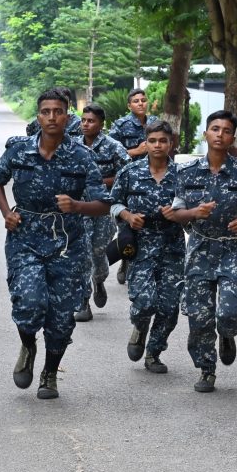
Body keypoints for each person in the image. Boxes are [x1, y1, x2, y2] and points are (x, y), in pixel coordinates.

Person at [0, 89, 110, 400]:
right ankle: (28, 345)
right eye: (46, 111)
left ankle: (50, 373)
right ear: (38, 116)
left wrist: (78, 206)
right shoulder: (19, 150)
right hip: (25, 238)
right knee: (29, 303)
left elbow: (103, 203)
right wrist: (6, 213)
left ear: (67, 116)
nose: (52, 117)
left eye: (58, 111)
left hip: (68, 243)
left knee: (60, 318)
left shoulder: (82, 157)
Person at [166, 110, 237, 393]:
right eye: (215, 129)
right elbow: (175, 213)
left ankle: (227, 332)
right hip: (200, 247)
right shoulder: (186, 172)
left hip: (234, 248)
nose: (220, 135)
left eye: (226, 130)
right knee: (200, 317)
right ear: (206, 134)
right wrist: (194, 212)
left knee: (227, 311)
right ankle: (206, 369)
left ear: (232, 137)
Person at [109, 120, 185, 373]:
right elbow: (113, 203)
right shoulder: (130, 172)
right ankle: (140, 328)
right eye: (152, 141)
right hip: (140, 247)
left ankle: (154, 352)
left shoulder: (183, 176)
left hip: (172, 247)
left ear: (171, 144)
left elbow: (194, 211)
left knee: (170, 306)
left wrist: (179, 214)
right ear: (146, 143)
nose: (157, 145)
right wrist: (128, 216)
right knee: (144, 302)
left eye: (163, 140)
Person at [75, 103, 130, 322]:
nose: (86, 124)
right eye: (83, 120)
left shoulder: (113, 146)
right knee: (80, 256)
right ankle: (83, 302)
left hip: (102, 209)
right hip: (77, 209)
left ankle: (98, 281)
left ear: (101, 124)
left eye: (91, 121)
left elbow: (126, 173)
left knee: (97, 255)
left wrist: (99, 181)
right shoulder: (71, 145)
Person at [110, 88, 159, 285]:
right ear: (129, 105)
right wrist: (135, 151)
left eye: (143, 100)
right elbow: (111, 154)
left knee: (150, 224)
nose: (140, 103)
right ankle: (126, 259)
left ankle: (146, 263)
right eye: (136, 101)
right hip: (129, 181)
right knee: (127, 226)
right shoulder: (120, 126)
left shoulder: (156, 123)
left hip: (154, 180)